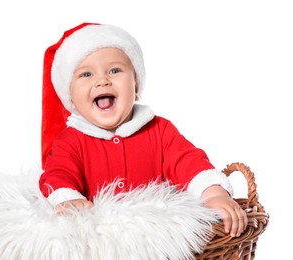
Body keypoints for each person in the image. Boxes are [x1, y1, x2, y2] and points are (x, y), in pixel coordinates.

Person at [39, 22, 247, 237]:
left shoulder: (159, 130)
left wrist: (213, 194)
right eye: (86, 75)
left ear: (136, 86)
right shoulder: (70, 140)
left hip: (158, 238)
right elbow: (57, 174)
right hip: (100, 240)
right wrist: (68, 200)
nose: (102, 80)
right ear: (70, 99)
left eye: (114, 70)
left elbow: (188, 161)